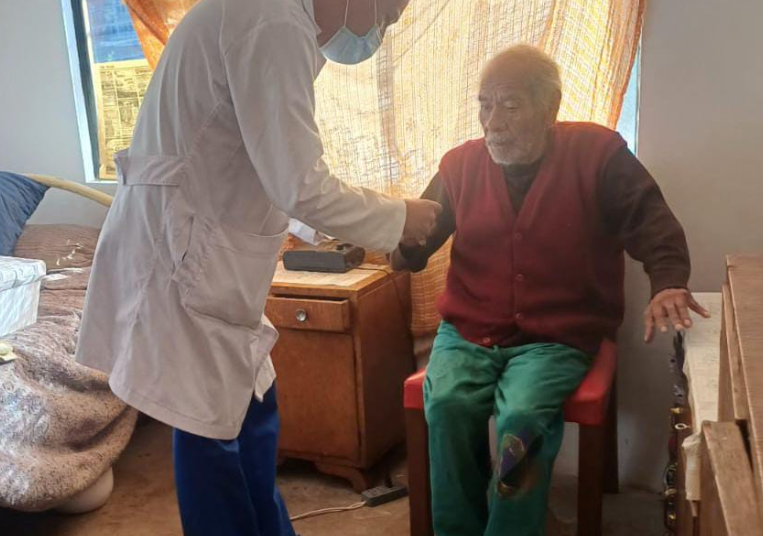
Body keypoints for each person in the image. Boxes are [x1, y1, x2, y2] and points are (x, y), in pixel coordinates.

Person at [75, 1, 437, 535]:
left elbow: (267, 162)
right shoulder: (271, 21)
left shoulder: (279, 22)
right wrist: (401, 218)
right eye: (387, 14)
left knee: (252, 409)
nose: (382, 31)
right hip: (184, 254)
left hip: (206, 247)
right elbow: (299, 184)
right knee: (210, 430)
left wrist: (331, 231)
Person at [391, 44, 710, 536]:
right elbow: (418, 237)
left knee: (522, 419)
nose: (493, 122)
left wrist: (668, 282)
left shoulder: (598, 155)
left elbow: (652, 222)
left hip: (557, 335)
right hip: (470, 329)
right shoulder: (460, 166)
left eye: (510, 105)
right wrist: (395, 239)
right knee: (448, 405)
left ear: (550, 107)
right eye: (484, 105)